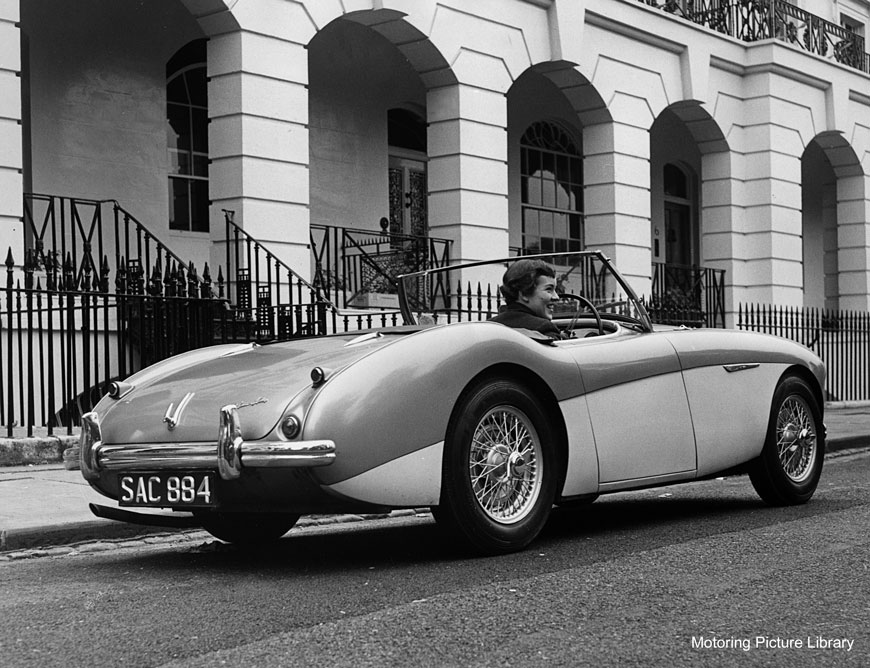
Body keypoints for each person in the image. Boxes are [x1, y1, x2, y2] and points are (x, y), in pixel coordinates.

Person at [489, 259, 565, 339]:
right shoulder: (544, 328)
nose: (556, 297)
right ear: (524, 293)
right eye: (548, 289)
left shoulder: (488, 326)